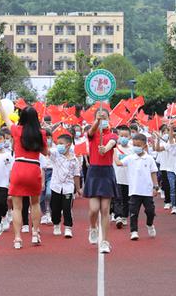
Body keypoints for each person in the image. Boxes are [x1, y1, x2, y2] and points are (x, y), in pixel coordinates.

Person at [0, 95, 48, 250]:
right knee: (34, 203)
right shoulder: (42, 133)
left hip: (19, 168)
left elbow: (5, 117)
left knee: (17, 207)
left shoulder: (17, 130)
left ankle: (18, 238)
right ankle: (35, 233)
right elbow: (45, 152)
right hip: (34, 169)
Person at [84, 108, 118, 254]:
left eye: (105, 118)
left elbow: (111, 143)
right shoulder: (92, 135)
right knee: (93, 210)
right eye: (100, 117)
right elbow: (91, 132)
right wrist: (97, 120)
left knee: (105, 209)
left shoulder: (112, 135)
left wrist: (105, 148)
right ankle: (92, 227)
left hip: (107, 172)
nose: (103, 120)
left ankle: (105, 241)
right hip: (94, 172)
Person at [116, 133, 159, 240]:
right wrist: (113, 152)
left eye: (138, 145)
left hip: (147, 191)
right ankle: (134, 231)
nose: (136, 147)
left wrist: (155, 186)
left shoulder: (149, 158)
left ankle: (149, 224)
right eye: (134, 144)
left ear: (144, 146)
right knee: (133, 212)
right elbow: (119, 163)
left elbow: (153, 172)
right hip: (134, 191)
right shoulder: (130, 158)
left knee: (150, 211)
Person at [49, 133, 82, 238]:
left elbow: (76, 175)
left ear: (68, 145)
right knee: (55, 208)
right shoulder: (55, 155)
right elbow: (46, 151)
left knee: (67, 208)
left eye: (61, 143)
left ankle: (68, 228)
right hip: (56, 186)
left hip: (68, 187)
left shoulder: (74, 160)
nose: (58, 145)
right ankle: (56, 224)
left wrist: (78, 188)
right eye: (57, 143)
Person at [112, 125, 132, 229]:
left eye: (126, 136)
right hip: (117, 178)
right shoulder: (115, 149)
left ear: (129, 137)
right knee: (117, 198)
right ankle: (118, 216)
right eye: (121, 135)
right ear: (118, 136)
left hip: (129, 179)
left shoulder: (133, 150)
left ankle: (124, 216)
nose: (124, 137)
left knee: (127, 199)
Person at [154, 125, 174, 211]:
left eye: (168, 131)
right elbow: (157, 149)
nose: (166, 133)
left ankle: (174, 203)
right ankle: (167, 202)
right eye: (164, 132)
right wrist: (158, 139)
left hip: (172, 167)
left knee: (172, 186)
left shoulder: (173, 142)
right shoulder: (162, 143)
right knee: (166, 185)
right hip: (164, 166)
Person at [39, 130, 54, 225]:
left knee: (49, 193)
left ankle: (49, 212)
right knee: (41, 196)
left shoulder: (55, 149)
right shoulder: (39, 149)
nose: (47, 139)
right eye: (45, 138)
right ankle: (44, 213)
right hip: (40, 172)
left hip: (52, 172)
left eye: (49, 137)